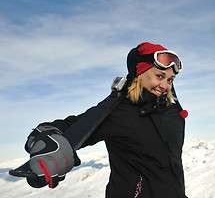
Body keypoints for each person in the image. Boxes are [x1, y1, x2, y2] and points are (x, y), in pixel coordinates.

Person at [24, 42, 188, 198]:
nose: (165, 85)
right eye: (159, 76)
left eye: (170, 79)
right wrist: (45, 139)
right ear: (139, 74)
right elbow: (72, 126)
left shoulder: (172, 113)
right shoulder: (119, 112)